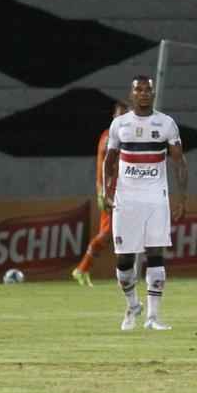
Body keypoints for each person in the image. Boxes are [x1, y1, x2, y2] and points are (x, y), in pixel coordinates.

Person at [102, 76, 188, 331]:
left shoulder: (166, 124)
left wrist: (181, 198)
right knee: (124, 261)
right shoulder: (120, 125)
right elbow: (109, 161)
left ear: (153, 92)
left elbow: (179, 163)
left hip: (155, 198)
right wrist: (107, 190)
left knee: (155, 254)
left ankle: (153, 317)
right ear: (131, 94)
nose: (143, 93)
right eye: (138, 89)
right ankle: (132, 305)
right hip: (126, 199)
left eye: (147, 89)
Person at [72, 100, 129, 286]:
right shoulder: (108, 137)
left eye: (125, 115)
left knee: (121, 234)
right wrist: (100, 191)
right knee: (108, 232)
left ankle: (85, 269)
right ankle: (81, 269)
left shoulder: (128, 138)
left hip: (125, 192)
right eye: (119, 114)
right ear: (114, 116)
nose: (122, 118)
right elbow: (102, 167)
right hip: (110, 193)